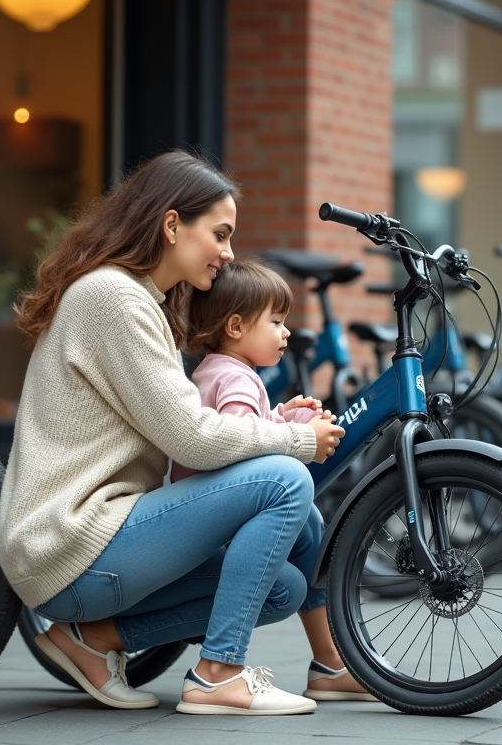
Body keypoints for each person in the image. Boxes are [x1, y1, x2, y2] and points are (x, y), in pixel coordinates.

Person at [0, 150, 345, 716]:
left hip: (97, 544)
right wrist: (295, 441)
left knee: (281, 584)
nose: (229, 253)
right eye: (222, 234)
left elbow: (187, 428)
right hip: (69, 540)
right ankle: (218, 673)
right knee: (285, 479)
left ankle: (92, 641)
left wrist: (273, 425)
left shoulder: (140, 301)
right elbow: (192, 438)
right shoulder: (112, 298)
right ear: (172, 224)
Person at [173, 259, 376, 702]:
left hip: (211, 510)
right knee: (306, 520)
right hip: (211, 522)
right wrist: (297, 438)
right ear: (236, 326)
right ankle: (228, 666)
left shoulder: (225, 373)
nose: (286, 332)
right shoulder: (234, 379)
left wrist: (281, 418)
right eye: (277, 321)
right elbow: (239, 451)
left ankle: (329, 662)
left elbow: (244, 432)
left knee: (310, 524)